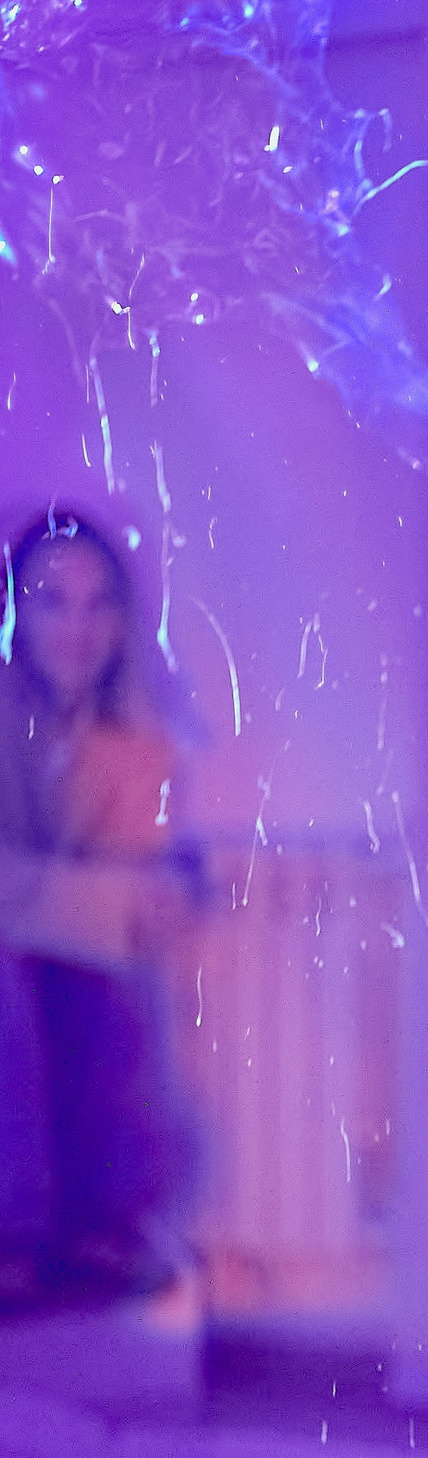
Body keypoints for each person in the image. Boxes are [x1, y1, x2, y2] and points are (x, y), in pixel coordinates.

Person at [0, 511, 196, 1302]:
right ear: (15, 612)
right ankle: (26, 1231)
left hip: (56, 950)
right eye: (52, 600)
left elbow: (123, 901)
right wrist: (100, 903)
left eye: (97, 603)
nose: (76, 629)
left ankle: (98, 1226)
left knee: (107, 989)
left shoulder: (138, 747)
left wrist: (122, 903)